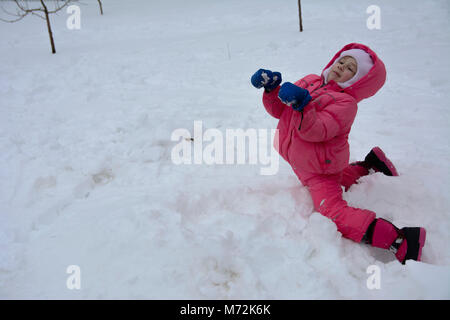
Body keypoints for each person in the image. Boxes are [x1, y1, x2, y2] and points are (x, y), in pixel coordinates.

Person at [251, 43, 426, 264]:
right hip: (305, 163)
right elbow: (280, 111)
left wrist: (303, 104)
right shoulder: (311, 80)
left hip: (320, 168)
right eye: (342, 61)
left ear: (359, 81)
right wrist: (272, 90)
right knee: (340, 178)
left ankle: (401, 239)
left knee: (331, 211)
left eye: (350, 69)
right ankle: (371, 164)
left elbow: (316, 130)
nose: (341, 67)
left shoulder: (346, 103)